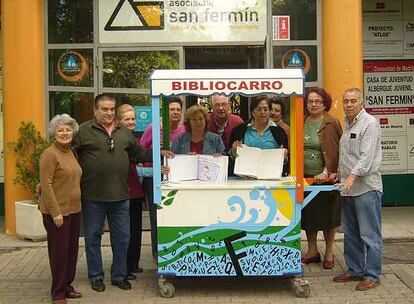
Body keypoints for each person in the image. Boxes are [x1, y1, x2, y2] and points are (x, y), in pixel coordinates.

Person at [73, 94, 168, 292]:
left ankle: (119, 275)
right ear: (95, 110)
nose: (108, 113)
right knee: (93, 238)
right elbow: (70, 155)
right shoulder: (83, 131)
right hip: (92, 196)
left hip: (120, 197)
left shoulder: (123, 132)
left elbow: (138, 154)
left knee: (122, 238)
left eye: (111, 109)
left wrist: (159, 154)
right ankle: (96, 276)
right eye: (104, 109)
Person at [333, 88, 383, 291]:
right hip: (348, 188)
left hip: (366, 188)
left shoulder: (369, 123)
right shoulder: (347, 123)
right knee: (351, 233)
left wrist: (352, 177)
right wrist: (339, 174)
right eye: (345, 101)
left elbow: (366, 157)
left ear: (362, 103)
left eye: (353, 101)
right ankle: (355, 269)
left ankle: (372, 274)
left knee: (369, 235)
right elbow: (346, 155)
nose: (349, 105)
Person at [39, 114, 82, 304]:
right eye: (60, 130)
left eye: (68, 129)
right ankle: (57, 292)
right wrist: (56, 212)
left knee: (72, 251)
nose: (65, 133)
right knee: (59, 253)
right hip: (57, 213)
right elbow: (46, 184)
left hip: (74, 210)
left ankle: (67, 286)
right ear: (53, 134)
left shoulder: (71, 152)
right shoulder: (50, 154)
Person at [300, 88, 342, 269]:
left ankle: (330, 252)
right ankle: (312, 251)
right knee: (309, 215)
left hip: (326, 180)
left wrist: (326, 172)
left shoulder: (331, 123)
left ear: (325, 103)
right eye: (310, 101)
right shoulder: (302, 121)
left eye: (317, 101)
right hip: (306, 178)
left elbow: (336, 151)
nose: (314, 104)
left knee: (327, 216)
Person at [140, 97, 185, 259]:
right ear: (165, 112)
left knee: (173, 215)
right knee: (156, 216)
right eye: (171, 109)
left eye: (178, 110)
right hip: (154, 178)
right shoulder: (153, 128)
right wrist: (157, 162)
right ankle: (157, 254)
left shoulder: (183, 130)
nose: (175, 112)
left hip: (176, 179)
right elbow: (140, 151)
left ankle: (173, 249)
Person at [116, 104, 145, 279]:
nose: (131, 122)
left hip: (135, 190)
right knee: (124, 232)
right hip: (122, 191)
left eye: (133, 118)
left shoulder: (134, 138)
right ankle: (124, 268)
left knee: (135, 230)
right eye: (127, 119)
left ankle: (133, 264)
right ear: (119, 121)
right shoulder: (118, 139)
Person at [229, 95, 289, 176]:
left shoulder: (279, 132)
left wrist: (284, 157)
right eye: (259, 109)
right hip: (245, 178)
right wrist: (233, 151)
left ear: (269, 111)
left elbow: (286, 162)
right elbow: (230, 158)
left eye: (265, 109)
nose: (262, 112)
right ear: (252, 112)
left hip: (271, 178)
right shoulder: (239, 130)